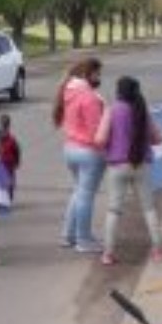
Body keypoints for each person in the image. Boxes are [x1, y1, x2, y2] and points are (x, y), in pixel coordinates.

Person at [96, 76, 162, 266]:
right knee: (149, 208)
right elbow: (159, 138)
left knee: (113, 210)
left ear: (119, 91)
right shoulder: (143, 111)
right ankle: (157, 249)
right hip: (141, 164)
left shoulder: (112, 110)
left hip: (117, 166)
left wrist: (111, 146)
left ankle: (108, 253)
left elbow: (100, 139)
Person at [52, 57, 106, 253]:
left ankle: (69, 235)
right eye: (97, 73)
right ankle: (83, 239)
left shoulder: (68, 91)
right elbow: (96, 132)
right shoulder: (89, 97)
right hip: (89, 152)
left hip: (71, 148)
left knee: (79, 192)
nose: (99, 77)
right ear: (88, 74)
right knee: (86, 195)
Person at [0, 113, 21, 200]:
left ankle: (2, 199)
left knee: (1, 181)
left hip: (1, 161)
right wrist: (17, 161)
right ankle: (7, 197)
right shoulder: (11, 138)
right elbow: (17, 151)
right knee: (9, 182)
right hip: (9, 163)